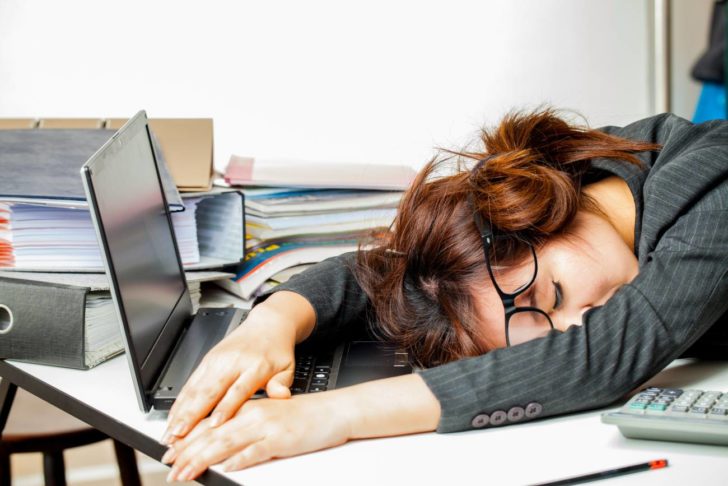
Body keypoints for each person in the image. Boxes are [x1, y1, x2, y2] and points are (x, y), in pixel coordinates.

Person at [160, 108, 728, 482]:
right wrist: (271, 324)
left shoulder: (711, 185)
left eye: (554, 296)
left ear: (542, 212)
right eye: (553, 331)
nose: (589, 318)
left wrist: (336, 414)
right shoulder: (609, 193)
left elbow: (604, 355)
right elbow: (385, 272)